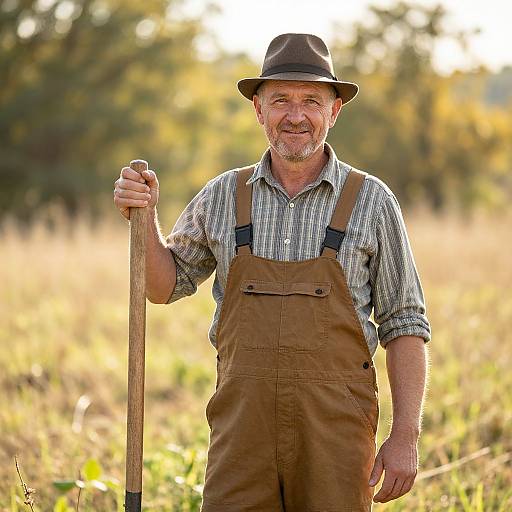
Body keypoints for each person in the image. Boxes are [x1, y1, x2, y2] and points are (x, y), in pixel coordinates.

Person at [114, 33, 431, 512]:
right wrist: (145, 218)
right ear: (258, 110)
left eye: (311, 101)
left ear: (334, 111)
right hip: (242, 432)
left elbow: (405, 323)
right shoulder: (224, 195)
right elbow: (163, 285)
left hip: (336, 436)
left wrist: (405, 436)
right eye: (280, 99)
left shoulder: (372, 201)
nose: (295, 116)